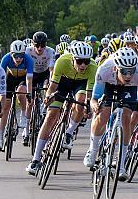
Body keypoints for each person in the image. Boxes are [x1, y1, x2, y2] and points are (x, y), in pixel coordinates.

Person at [25, 42, 97, 175]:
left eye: (86, 62)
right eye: (79, 61)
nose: (83, 65)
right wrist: (48, 97)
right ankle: (35, 159)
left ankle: (69, 132)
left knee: (81, 101)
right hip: (62, 84)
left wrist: (88, 108)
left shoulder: (93, 67)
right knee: (51, 116)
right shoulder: (62, 62)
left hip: (80, 85)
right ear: (72, 59)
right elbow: (52, 87)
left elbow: (89, 94)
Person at [83, 47, 138, 181]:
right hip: (108, 85)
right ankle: (93, 150)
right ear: (116, 68)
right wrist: (95, 105)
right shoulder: (104, 69)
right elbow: (94, 98)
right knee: (103, 115)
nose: (129, 75)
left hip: (129, 89)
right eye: (124, 72)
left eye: (131, 71)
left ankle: (121, 165)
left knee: (126, 118)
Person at [0, 40, 34, 151]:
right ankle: (0, 139)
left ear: (24, 54)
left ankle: (23, 114)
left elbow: (29, 79)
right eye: (15, 56)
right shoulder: (6, 59)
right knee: (5, 107)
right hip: (10, 79)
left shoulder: (28, 60)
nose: (18, 59)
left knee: (22, 92)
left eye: (21, 56)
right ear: (11, 54)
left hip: (23, 79)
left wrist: (29, 94)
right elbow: (0, 79)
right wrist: (0, 96)